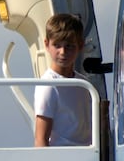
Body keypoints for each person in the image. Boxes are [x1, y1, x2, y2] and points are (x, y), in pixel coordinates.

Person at [33, 13, 91, 147]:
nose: (63, 52)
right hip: (62, 158)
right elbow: (40, 138)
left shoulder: (85, 85)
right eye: (57, 45)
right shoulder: (48, 86)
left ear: (80, 45)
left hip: (88, 157)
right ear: (47, 45)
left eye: (69, 46)